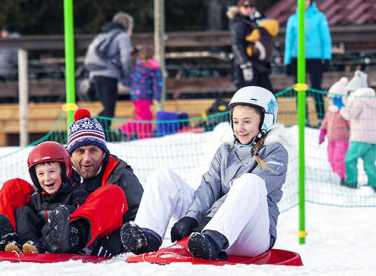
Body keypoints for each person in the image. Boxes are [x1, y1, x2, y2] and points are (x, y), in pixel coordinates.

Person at [119, 86, 289, 260]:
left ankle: (213, 239)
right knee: (163, 176)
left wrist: (209, 221)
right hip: (207, 230)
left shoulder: (276, 153)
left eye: (247, 121)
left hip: (250, 238)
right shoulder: (226, 150)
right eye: (236, 121)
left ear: (266, 121)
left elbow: (242, 193)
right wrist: (191, 218)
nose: (240, 128)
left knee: (250, 182)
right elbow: (209, 186)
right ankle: (147, 237)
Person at [0, 109, 144, 256]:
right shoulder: (60, 172)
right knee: (14, 186)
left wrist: (115, 240)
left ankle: (74, 234)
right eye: (80, 151)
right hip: (50, 231)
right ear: (69, 155)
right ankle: (6, 239)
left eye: (93, 151)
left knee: (111, 192)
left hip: (91, 238)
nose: (87, 158)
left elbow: (141, 219)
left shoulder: (121, 175)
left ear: (103, 153)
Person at [283, 0, 332, 122]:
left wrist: (326, 58)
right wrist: (287, 61)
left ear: (310, 1)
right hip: (297, 57)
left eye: (306, 0)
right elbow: (289, 41)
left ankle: (321, 118)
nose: (304, 3)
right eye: (301, 0)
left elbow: (325, 39)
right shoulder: (293, 19)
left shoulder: (319, 17)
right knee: (299, 88)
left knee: (316, 87)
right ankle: (303, 118)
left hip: (315, 57)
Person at [85, 12, 134, 134]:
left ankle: (91, 129)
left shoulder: (103, 34)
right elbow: (125, 58)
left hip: (95, 75)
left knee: (107, 108)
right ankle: (98, 133)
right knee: (109, 110)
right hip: (109, 76)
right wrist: (128, 75)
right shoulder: (122, 36)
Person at [340, 70, 376, 191]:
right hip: (373, 138)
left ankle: (351, 182)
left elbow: (350, 114)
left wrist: (341, 106)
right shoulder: (371, 100)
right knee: (369, 163)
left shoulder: (358, 100)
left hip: (360, 137)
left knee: (350, 159)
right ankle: (373, 184)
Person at [118, 46, 163, 141]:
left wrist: (123, 79)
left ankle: (145, 138)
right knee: (143, 117)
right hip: (145, 96)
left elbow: (129, 81)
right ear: (153, 55)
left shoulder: (138, 67)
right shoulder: (154, 66)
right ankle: (125, 130)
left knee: (147, 116)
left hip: (136, 96)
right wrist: (157, 97)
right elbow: (157, 83)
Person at [229, 0, 273, 91]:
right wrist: (244, 63)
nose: (249, 9)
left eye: (251, 6)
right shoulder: (238, 23)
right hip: (245, 64)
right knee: (247, 94)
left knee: (267, 93)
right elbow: (236, 43)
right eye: (246, 6)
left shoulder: (256, 21)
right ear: (240, 8)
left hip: (259, 64)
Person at [318, 77, 350, 184]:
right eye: (330, 97)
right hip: (331, 140)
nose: (332, 100)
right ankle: (334, 176)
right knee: (331, 158)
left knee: (339, 159)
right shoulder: (329, 111)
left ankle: (341, 177)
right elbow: (325, 122)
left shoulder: (344, 111)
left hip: (342, 140)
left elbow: (350, 123)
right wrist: (322, 132)